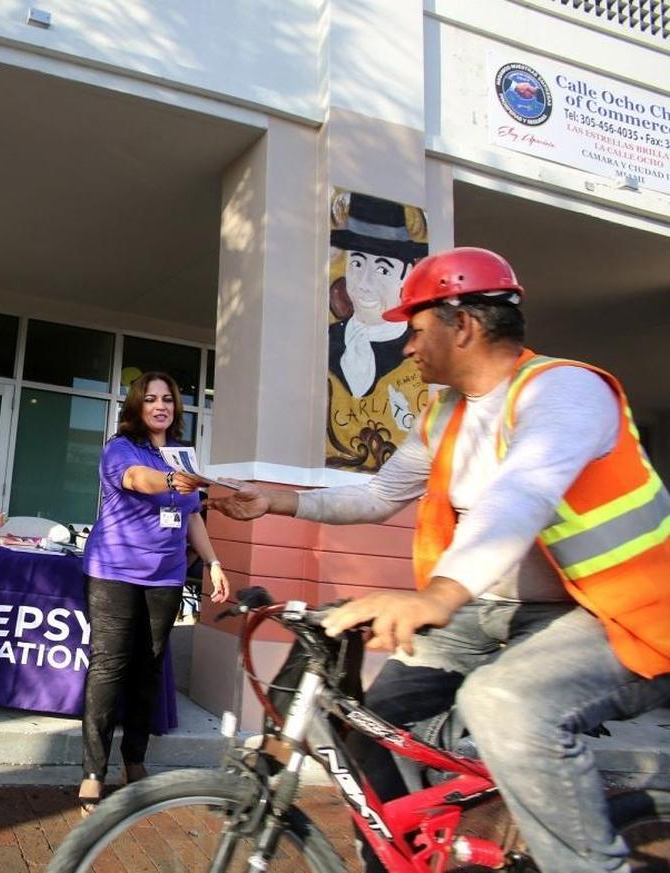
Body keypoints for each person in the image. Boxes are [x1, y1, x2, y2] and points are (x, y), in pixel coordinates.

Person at [210, 247, 670, 872]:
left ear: (464, 325)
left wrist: (436, 597)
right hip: (487, 613)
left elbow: (522, 493)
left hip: (621, 616)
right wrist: (275, 500)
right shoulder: (446, 414)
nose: (405, 348)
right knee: (370, 723)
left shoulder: (566, 391)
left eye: (416, 331)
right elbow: (376, 495)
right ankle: (408, 855)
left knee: (503, 703)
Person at [78, 371, 230, 816]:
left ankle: (134, 760)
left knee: (150, 668)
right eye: (151, 399)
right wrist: (173, 480)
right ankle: (92, 772)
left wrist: (214, 562)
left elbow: (192, 516)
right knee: (109, 669)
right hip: (115, 572)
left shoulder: (183, 456)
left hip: (165, 577)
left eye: (168, 399)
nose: (160, 406)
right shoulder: (119, 449)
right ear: (136, 407)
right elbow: (139, 481)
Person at [328, 192, 426, 399]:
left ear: (406, 274)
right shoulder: (326, 339)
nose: (364, 284)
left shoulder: (418, 353)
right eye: (357, 263)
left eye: (382, 270)